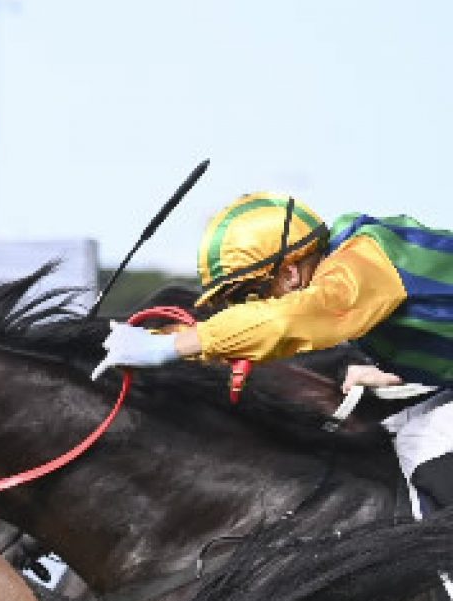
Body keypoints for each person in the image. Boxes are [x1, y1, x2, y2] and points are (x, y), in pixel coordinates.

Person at [95, 192, 453, 515]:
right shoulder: (349, 270)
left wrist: (170, 347)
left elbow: (288, 321)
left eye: (246, 295)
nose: (245, 309)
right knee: (389, 436)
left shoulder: (363, 259)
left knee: (424, 443)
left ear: (291, 273)